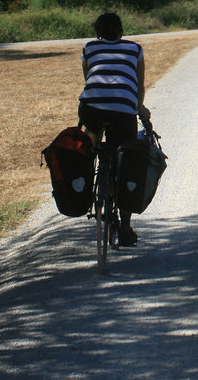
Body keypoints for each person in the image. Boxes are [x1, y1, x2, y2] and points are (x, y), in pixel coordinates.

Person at [79, 12, 149, 247]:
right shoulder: (134, 49)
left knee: (92, 143)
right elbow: (138, 86)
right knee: (127, 157)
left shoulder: (89, 48)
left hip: (91, 108)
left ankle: (87, 178)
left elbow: (89, 79)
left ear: (97, 32)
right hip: (123, 111)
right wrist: (140, 109)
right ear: (121, 31)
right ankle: (126, 226)